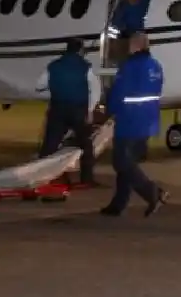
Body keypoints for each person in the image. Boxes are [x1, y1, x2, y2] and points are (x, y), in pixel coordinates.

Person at [100, 31, 168, 217]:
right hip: (148, 120)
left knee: (121, 162)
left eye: (130, 44)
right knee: (129, 164)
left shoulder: (129, 66)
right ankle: (118, 204)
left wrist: (109, 111)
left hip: (130, 120)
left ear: (137, 46)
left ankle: (153, 192)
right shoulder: (156, 66)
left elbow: (118, 93)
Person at [34, 38, 100, 186]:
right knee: (86, 145)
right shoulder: (85, 67)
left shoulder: (53, 66)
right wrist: (90, 110)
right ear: (80, 50)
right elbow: (95, 90)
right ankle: (86, 179)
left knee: (50, 145)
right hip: (78, 110)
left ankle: (42, 175)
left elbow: (39, 85)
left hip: (58, 109)